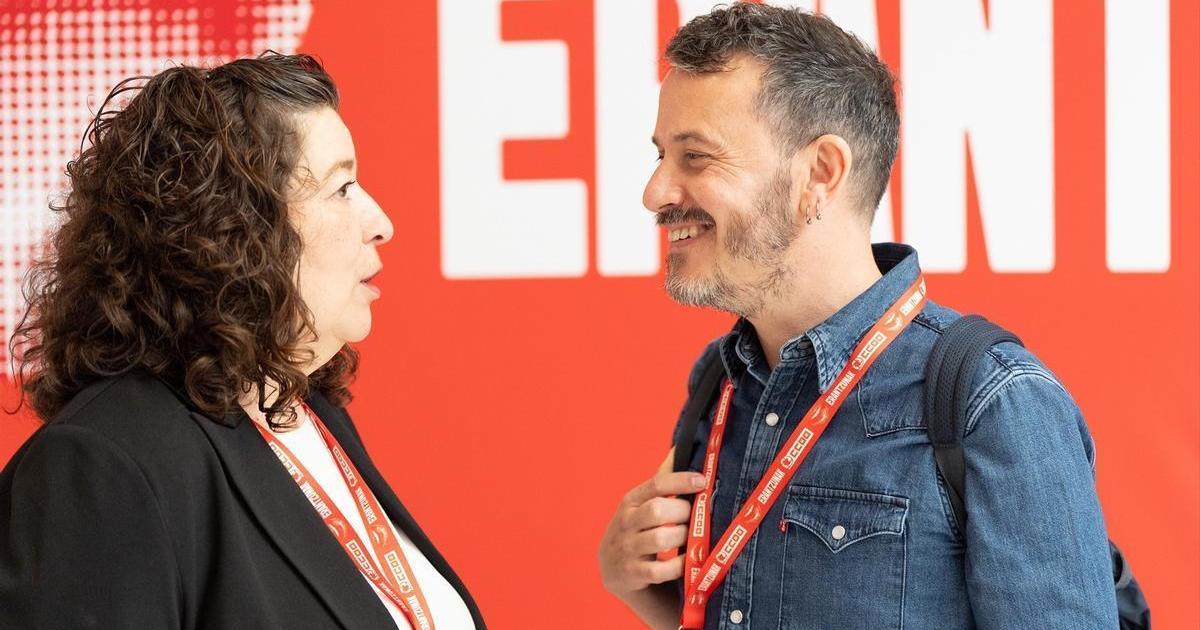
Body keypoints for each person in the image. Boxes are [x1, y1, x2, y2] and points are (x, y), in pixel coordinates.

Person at [597, 4, 1117, 629]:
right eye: (660, 155)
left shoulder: (991, 401)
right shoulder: (719, 379)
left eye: (696, 157)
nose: (654, 192)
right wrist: (643, 596)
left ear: (820, 173)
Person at [0, 53, 484, 629]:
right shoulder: (102, 467)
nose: (382, 223)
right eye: (342, 188)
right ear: (236, 229)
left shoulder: (308, 412)